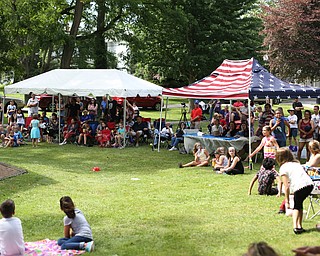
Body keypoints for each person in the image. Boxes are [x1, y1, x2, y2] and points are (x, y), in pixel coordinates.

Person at [276, 147, 313, 234]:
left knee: (296, 206)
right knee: (299, 204)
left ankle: (295, 227)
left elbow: (286, 186)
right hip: (309, 184)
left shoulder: (283, 168)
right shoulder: (296, 164)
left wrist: (287, 201)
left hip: (300, 186)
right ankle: (299, 226)